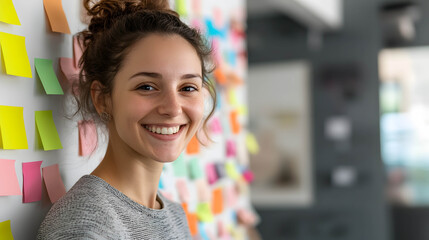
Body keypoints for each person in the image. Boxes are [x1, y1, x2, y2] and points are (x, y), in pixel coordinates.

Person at [37, 0, 216, 239]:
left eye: (188, 87)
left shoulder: (173, 214)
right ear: (103, 99)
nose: (173, 108)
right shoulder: (85, 228)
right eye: (147, 86)